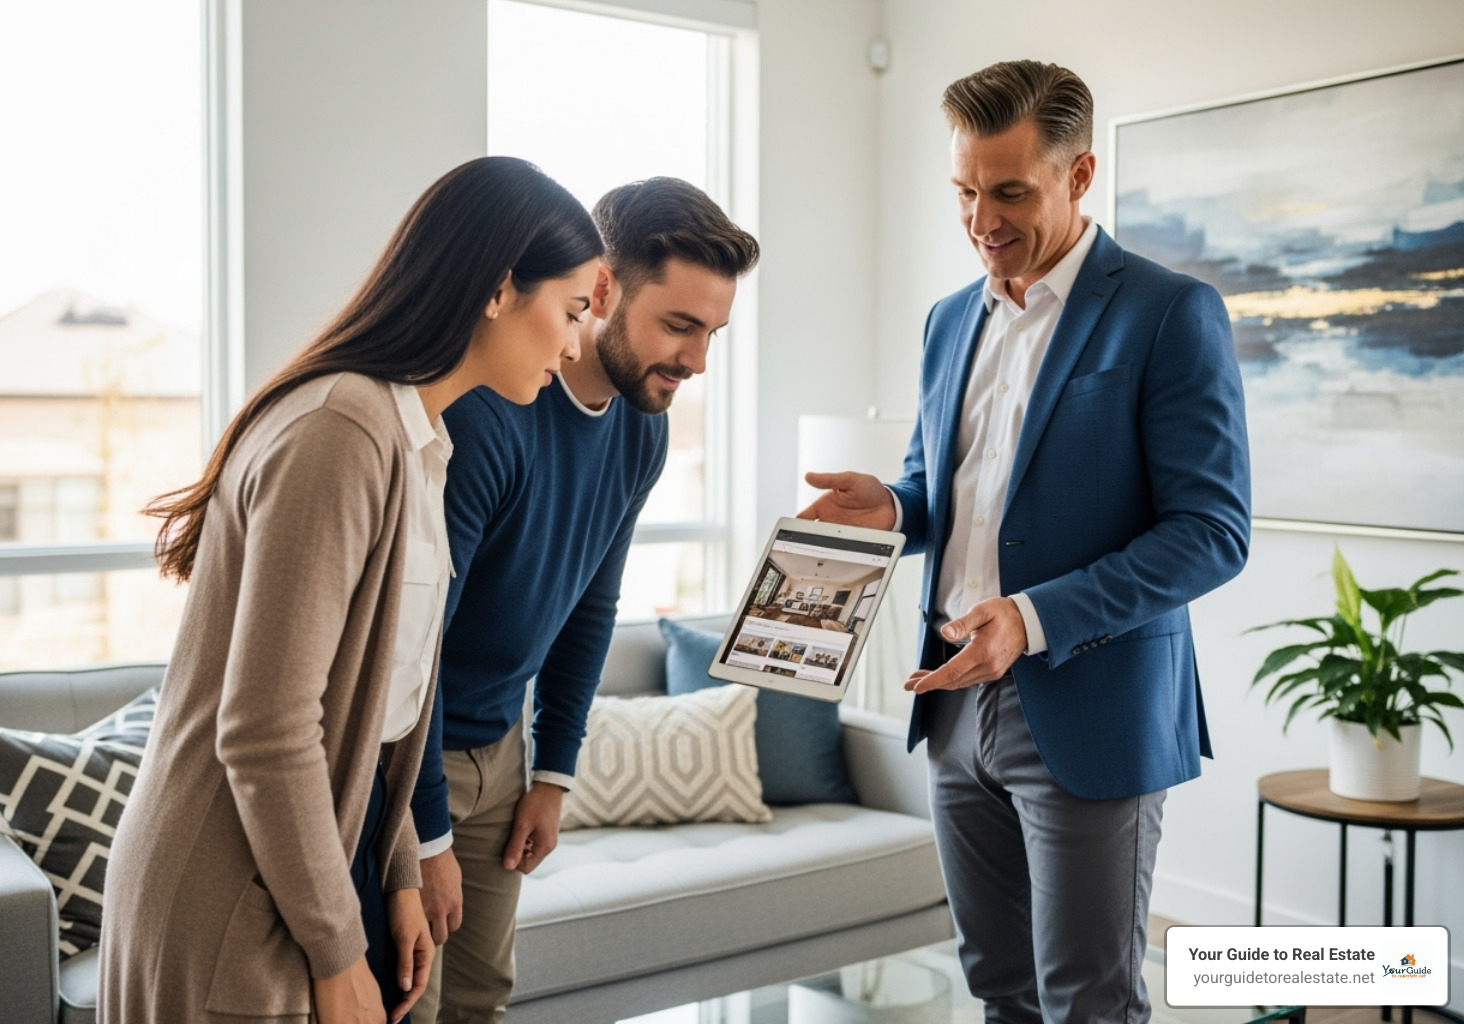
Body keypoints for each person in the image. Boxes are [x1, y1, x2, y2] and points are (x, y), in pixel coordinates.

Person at [98, 156, 603, 1024]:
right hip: (229, 900)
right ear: (497, 289)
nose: (573, 345)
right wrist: (338, 952)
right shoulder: (342, 430)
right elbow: (265, 728)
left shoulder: (418, 442)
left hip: (304, 874)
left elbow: (369, 714)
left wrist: (398, 869)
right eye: (573, 310)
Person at [801, 61, 1250, 1023]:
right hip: (951, 703)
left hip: (1092, 706)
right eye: (964, 192)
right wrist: (894, 509)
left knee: (1088, 1001)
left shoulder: (1168, 313)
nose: (981, 221)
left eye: (1008, 192)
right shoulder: (947, 321)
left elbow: (1212, 533)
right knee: (998, 990)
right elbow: (945, 490)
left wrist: (1033, 617)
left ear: (1079, 175)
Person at [406, 177, 759, 1023]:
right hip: (411, 756)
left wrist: (553, 772)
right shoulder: (489, 415)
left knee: (481, 1002)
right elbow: (413, 650)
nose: (697, 361)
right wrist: (426, 833)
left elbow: (591, 605)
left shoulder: (644, 427)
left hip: (501, 752)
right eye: (679, 325)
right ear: (602, 289)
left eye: (712, 333)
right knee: (409, 1002)